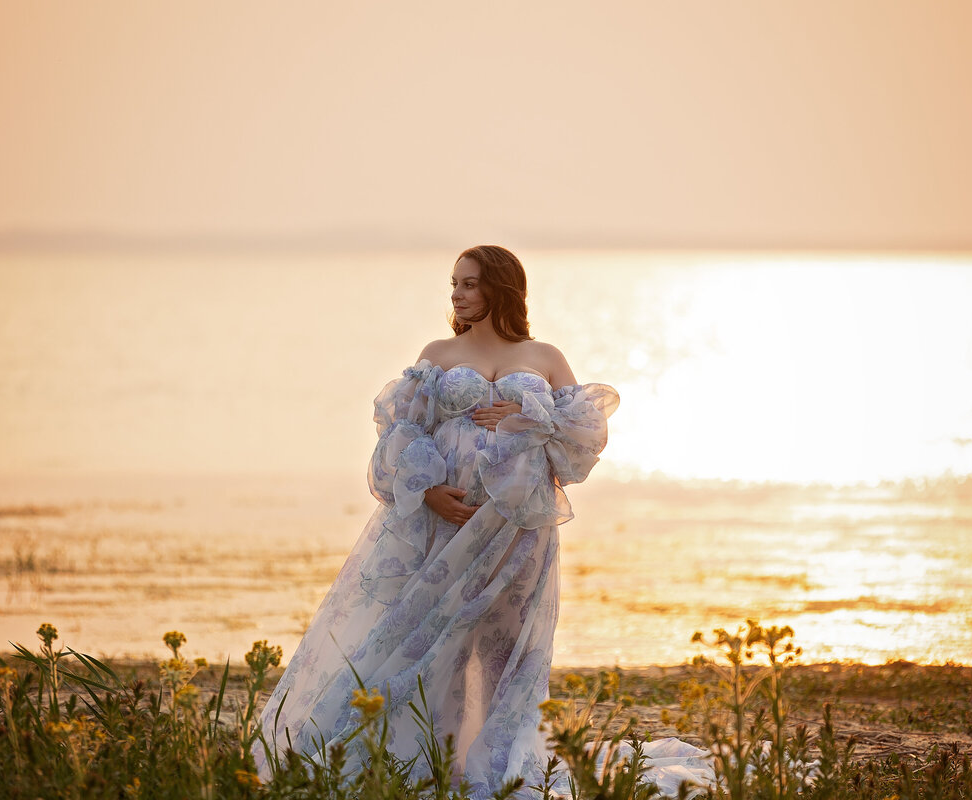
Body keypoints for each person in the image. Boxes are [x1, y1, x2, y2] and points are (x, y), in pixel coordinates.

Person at [252, 246, 715, 796]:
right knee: (430, 642)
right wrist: (427, 495)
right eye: (454, 284)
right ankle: (425, 756)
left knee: (505, 645)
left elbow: (585, 436)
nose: (456, 294)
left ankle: (495, 763)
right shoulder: (438, 353)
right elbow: (403, 434)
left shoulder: (544, 356)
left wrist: (528, 417)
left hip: (519, 527)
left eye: (469, 284)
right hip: (446, 526)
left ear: (501, 288)